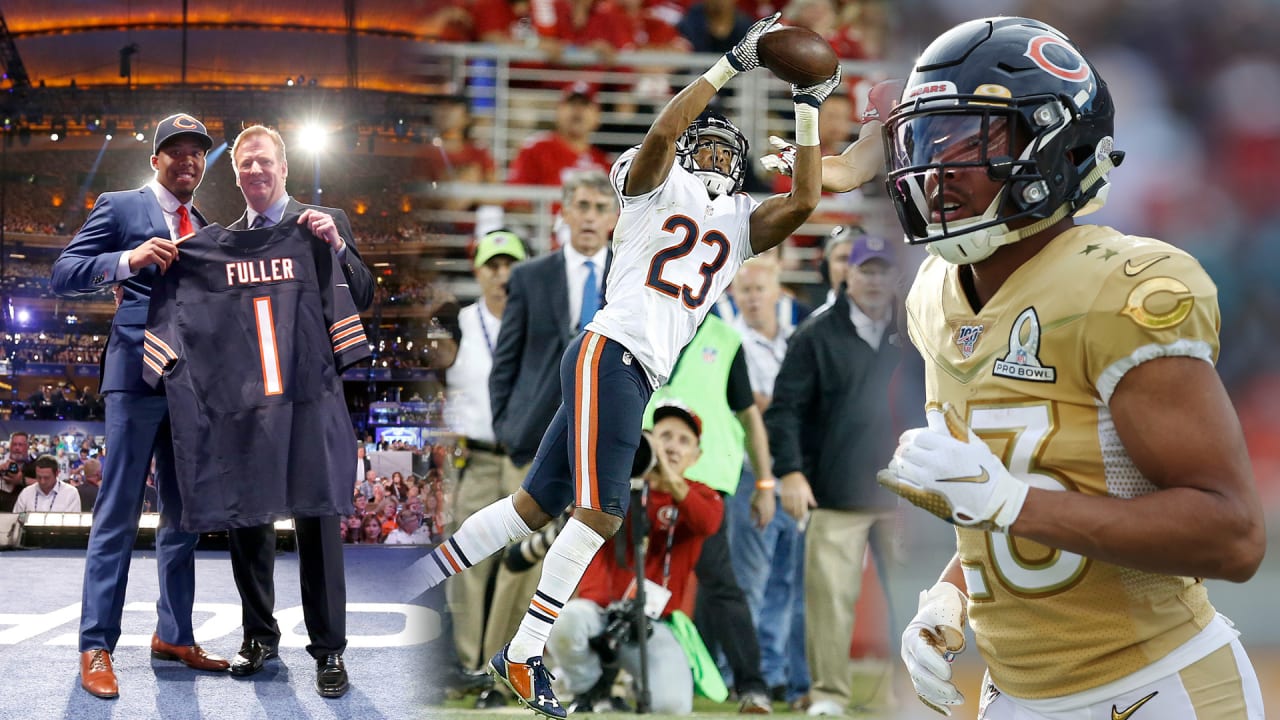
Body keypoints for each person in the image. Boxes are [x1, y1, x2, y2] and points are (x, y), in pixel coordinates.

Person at [408, 13, 840, 718]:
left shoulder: (735, 223)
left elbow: (809, 198)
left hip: (632, 369)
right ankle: (521, 656)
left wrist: (809, 107)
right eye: (708, 146)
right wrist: (730, 63)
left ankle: (411, 579)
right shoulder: (648, 187)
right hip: (611, 350)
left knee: (530, 509)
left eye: (726, 152)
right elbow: (666, 134)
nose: (717, 156)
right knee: (602, 514)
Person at [873, 17, 1266, 719]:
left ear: (1057, 145)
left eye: (972, 137)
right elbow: (1005, 488)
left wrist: (1011, 506)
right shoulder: (934, 291)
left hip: (1156, 690)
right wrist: (951, 594)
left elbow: (1232, 535)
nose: (937, 167)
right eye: (926, 138)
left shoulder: (1121, 288)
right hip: (1012, 695)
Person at [51, 112, 230, 699]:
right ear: (155, 159)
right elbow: (64, 273)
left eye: (197, 152)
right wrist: (128, 260)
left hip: (189, 385)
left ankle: (174, 635)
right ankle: (96, 644)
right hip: (134, 379)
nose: (188, 161)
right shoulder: (122, 205)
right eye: (175, 151)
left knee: (182, 517)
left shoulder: (204, 224)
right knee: (117, 515)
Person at [222, 124, 374, 699]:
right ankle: (259, 636)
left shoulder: (322, 221)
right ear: (235, 175)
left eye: (263, 162)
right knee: (249, 522)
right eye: (243, 165)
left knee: (318, 520)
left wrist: (337, 245)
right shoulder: (227, 240)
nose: (254, 172)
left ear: (284, 168)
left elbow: (362, 293)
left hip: (311, 396)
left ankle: (329, 651)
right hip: (251, 403)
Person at [765, 233, 901, 717]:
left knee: (915, 601)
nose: (875, 279)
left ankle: (908, 695)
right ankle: (828, 695)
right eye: (866, 269)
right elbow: (783, 412)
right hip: (835, 492)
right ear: (847, 274)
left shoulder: (917, 330)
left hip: (905, 495)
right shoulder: (815, 334)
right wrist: (791, 474)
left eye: (884, 270)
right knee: (829, 605)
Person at [547, 401, 722, 714]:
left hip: (650, 624)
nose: (672, 447)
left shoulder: (704, 494)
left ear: (696, 456)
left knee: (671, 707)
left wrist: (667, 477)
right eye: (665, 436)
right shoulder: (616, 487)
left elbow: (706, 522)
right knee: (565, 622)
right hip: (597, 615)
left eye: (684, 442)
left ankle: (632, 684)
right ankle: (593, 690)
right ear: (649, 440)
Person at [643, 311, 775, 713]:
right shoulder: (643, 322)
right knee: (626, 575)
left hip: (702, 485)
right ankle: (611, 680)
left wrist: (766, 484)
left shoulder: (724, 338)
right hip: (642, 479)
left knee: (719, 584)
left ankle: (751, 684)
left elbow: (748, 415)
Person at [436, 228, 539, 707]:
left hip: (525, 462)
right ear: (477, 271)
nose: (501, 274)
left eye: (510, 264)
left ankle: (504, 668)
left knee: (521, 567)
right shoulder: (457, 324)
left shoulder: (537, 323)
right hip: (475, 459)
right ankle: (467, 665)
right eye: (493, 265)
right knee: (468, 564)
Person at [11, 455, 82, 514]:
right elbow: (16, 520)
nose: (42, 481)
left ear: (57, 473)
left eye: (46, 478)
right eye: (39, 477)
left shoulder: (71, 493)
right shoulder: (26, 493)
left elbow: (72, 525)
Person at [0, 431, 33, 513]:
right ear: (10, 446)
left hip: (24, 511)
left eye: (20, 445)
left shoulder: (35, 464)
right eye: (14, 444)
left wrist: (21, 480)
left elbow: (46, 483)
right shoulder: (1, 462)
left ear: (27, 447)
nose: (17, 448)